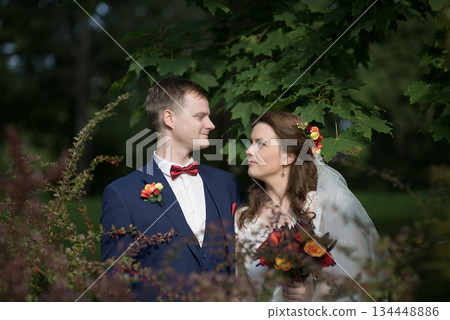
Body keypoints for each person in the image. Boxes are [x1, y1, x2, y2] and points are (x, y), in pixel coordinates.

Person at [101, 77, 243, 301]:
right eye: (200, 116)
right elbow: (115, 284)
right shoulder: (122, 194)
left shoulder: (226, 184)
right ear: (169, 118)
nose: (211, 124)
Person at [235, 111, 382, 301]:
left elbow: (357, 284)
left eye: (260, 143)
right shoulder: (243, 217)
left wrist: (312, 294)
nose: (249, 150)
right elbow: (242, 296)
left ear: (288, 156)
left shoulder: (329, 207)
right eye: (251, 142)